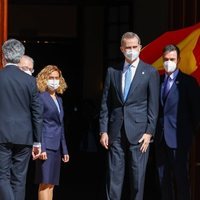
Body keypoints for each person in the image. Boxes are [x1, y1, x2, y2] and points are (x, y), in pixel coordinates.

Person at [99, 32, 160, 200]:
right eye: (128, 48)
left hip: (140, 133)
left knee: (137, 179)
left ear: (140, 48)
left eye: (134, 47)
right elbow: (105, 103)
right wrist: (103, 130)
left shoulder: (149, 72)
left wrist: (150, 132)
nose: (131, 50)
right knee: (113, 178)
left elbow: (153, 106)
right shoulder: (113, 71)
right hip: (115, 131)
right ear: (122, 49)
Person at [155, 44, 200, 200]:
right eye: (166, 59)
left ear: (179, 60)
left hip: (179, 141)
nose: (169, 62)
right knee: (163, 180)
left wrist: (189, 136)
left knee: (181, 181)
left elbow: (197, 113)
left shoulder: (189, 83)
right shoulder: (157, 81)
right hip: (160, 140)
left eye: (172, 59)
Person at [0, 38, 42, 200]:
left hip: (1, 134)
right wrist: (38, 141)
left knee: (2, 176)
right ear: (21, 56)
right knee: (19, 179)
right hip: (24, 136)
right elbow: (37, 113)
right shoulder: (30, 81)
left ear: (3, 55)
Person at [35, 65, 70, 200]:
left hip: (56, 147)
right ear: (44, 79)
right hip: (46, 146)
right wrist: (41, 147)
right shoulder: (41, 97)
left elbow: (60, 126)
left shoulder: (59, 99)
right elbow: (39, 123)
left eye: (56, 78)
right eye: (51, 78)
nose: (54, 81)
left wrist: (65, 149)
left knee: (51, 184)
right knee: (44, 183)